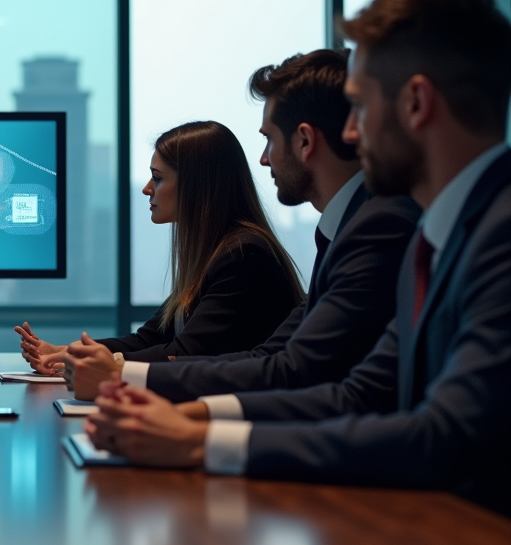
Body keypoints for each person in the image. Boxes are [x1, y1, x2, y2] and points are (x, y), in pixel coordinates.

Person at [85, 0, 511, 516]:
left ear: (416, 103)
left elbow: (444, 436)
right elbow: (362, 392)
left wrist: (201, 441)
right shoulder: (435, 236)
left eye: (359, 108)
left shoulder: (487, 236)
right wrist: (195, 420)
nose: (350, 134)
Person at [64, 50, 421, 400]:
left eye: (269, 139)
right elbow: (272, 358)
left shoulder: (368, 228)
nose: (263, 159)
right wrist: (94, 361)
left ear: (305, 140)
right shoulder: (345, 229)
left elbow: (291, 370)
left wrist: (124, 375)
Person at [18, 120, 304, 367]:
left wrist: (96, 364)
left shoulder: (243, 256)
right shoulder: (214, 253)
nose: (147, 189)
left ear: (197, 185)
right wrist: (66, 351)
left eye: (157, 178)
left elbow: (185, 353)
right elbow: (149, 339)